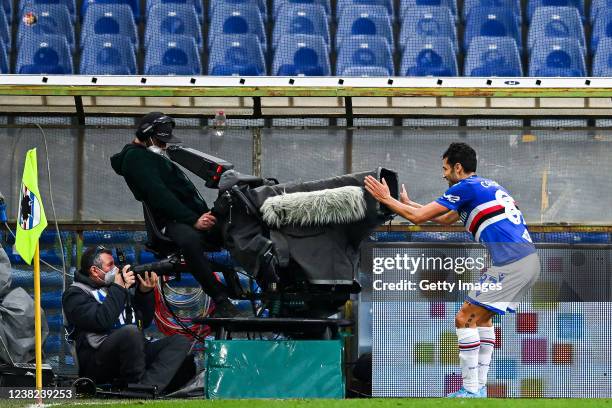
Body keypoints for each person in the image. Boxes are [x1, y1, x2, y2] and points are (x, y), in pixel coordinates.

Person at [364, 142, 540, 398]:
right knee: (481, 319)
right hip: (525, 261)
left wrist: (385, 199)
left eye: (445, 168)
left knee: (463, 318)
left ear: (458, 168)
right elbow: (443, 218)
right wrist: (409, 203)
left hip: (512, 262)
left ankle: (470, 390)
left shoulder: (465, 187)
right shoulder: (484, 187)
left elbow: (418, 218)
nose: (443, 174)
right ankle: (478, 389)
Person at [110, 111, 246, 318]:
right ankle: (221, 300)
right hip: (172, 222)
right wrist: (194, 220)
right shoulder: (136, 158)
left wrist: (204, 216)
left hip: (186, 217)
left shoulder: (149, 157)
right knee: (190, 240)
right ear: (146, 134)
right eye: (160, 141)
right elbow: (159, 195)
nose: (164, 146)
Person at [62, 246, 196, 393]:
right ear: (94, 270)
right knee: (130, 333)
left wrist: (144, 292)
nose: (116, 269)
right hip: (98, 361)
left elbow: (143, 322)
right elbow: (101, 321)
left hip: (134, 356)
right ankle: (139, 387)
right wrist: (119, 287)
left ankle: (144, 388)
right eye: (110, 265)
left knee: (180, 341)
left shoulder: (114, 288)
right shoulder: (75, 294)